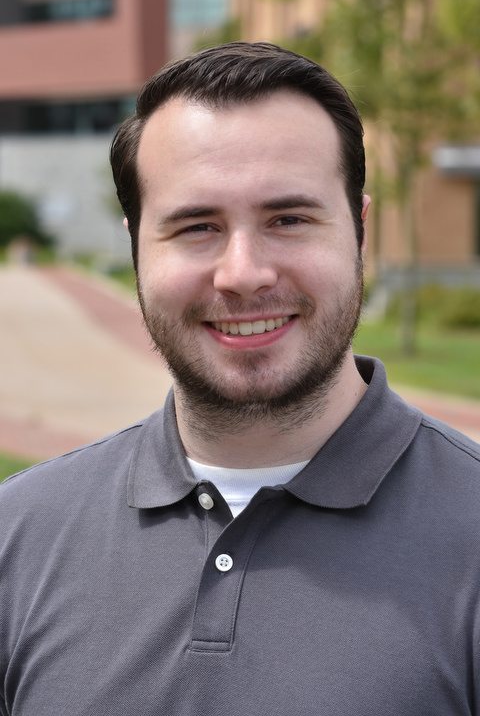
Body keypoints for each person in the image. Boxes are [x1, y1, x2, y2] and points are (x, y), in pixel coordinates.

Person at [1, 42, 479, 716]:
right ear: (135, 246)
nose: (243, 272)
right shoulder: (17, 536)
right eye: (197, 227)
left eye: (288, 219)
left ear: (360, 230)